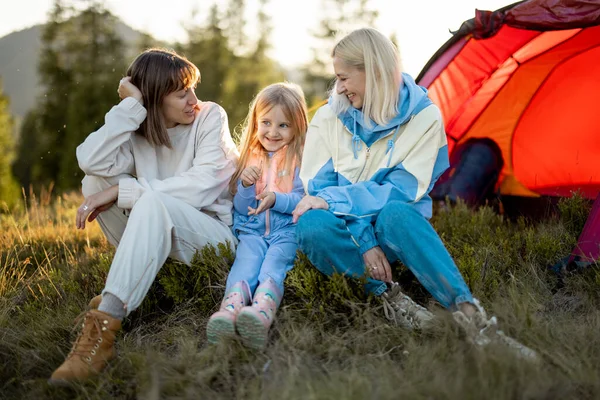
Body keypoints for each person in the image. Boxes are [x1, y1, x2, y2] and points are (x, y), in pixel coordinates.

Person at [292, 28, 538, 360]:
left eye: (344, 77)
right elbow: (320, 189)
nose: (340, 88)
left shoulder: (425, 117)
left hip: (396, 230)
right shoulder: (328, 117)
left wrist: (355, 218)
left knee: (395, 213)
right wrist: (364, 241)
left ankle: (473, 319)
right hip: (347, 236)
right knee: (311, 225)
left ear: (373, 70)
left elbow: (400, 191)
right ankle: (390, 298)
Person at [49, 48, 239, 384]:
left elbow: (202, 186)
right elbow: (90, 160)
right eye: (182, 94)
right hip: (166, 238)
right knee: (95, 182)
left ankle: (102, 331)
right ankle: (141, 288)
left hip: (217, 240)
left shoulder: (210, 117)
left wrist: (127, 192)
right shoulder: (138, 128)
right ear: (154, 100)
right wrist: (131, 106)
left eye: (193, 89)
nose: (193, 99)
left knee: (150, 201)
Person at [206, 82, 308, 350]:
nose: (272, 132)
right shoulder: (249, 157)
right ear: (255, 122)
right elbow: (240, 208)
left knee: (273, 266)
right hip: (251, 231)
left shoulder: (298, 158)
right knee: (245, 266)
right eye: (266, 122)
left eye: (283, 125)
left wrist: (277, 199)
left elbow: (302, 199)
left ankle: (261, 314)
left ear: (297, 126)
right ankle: (229, 312)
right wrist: (246, 187)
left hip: (286, 231)